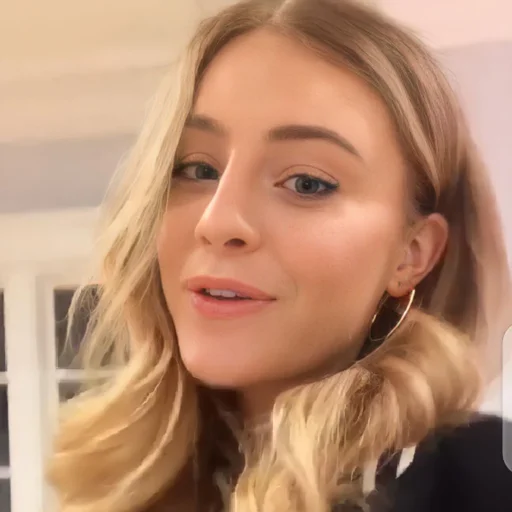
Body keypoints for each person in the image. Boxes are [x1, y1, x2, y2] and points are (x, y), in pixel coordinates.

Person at [47, 0, 512, 511]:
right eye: (198, 169)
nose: (217, 222)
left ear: (411, 254)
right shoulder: (121, 479)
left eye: (307, 182)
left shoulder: (481, 481)